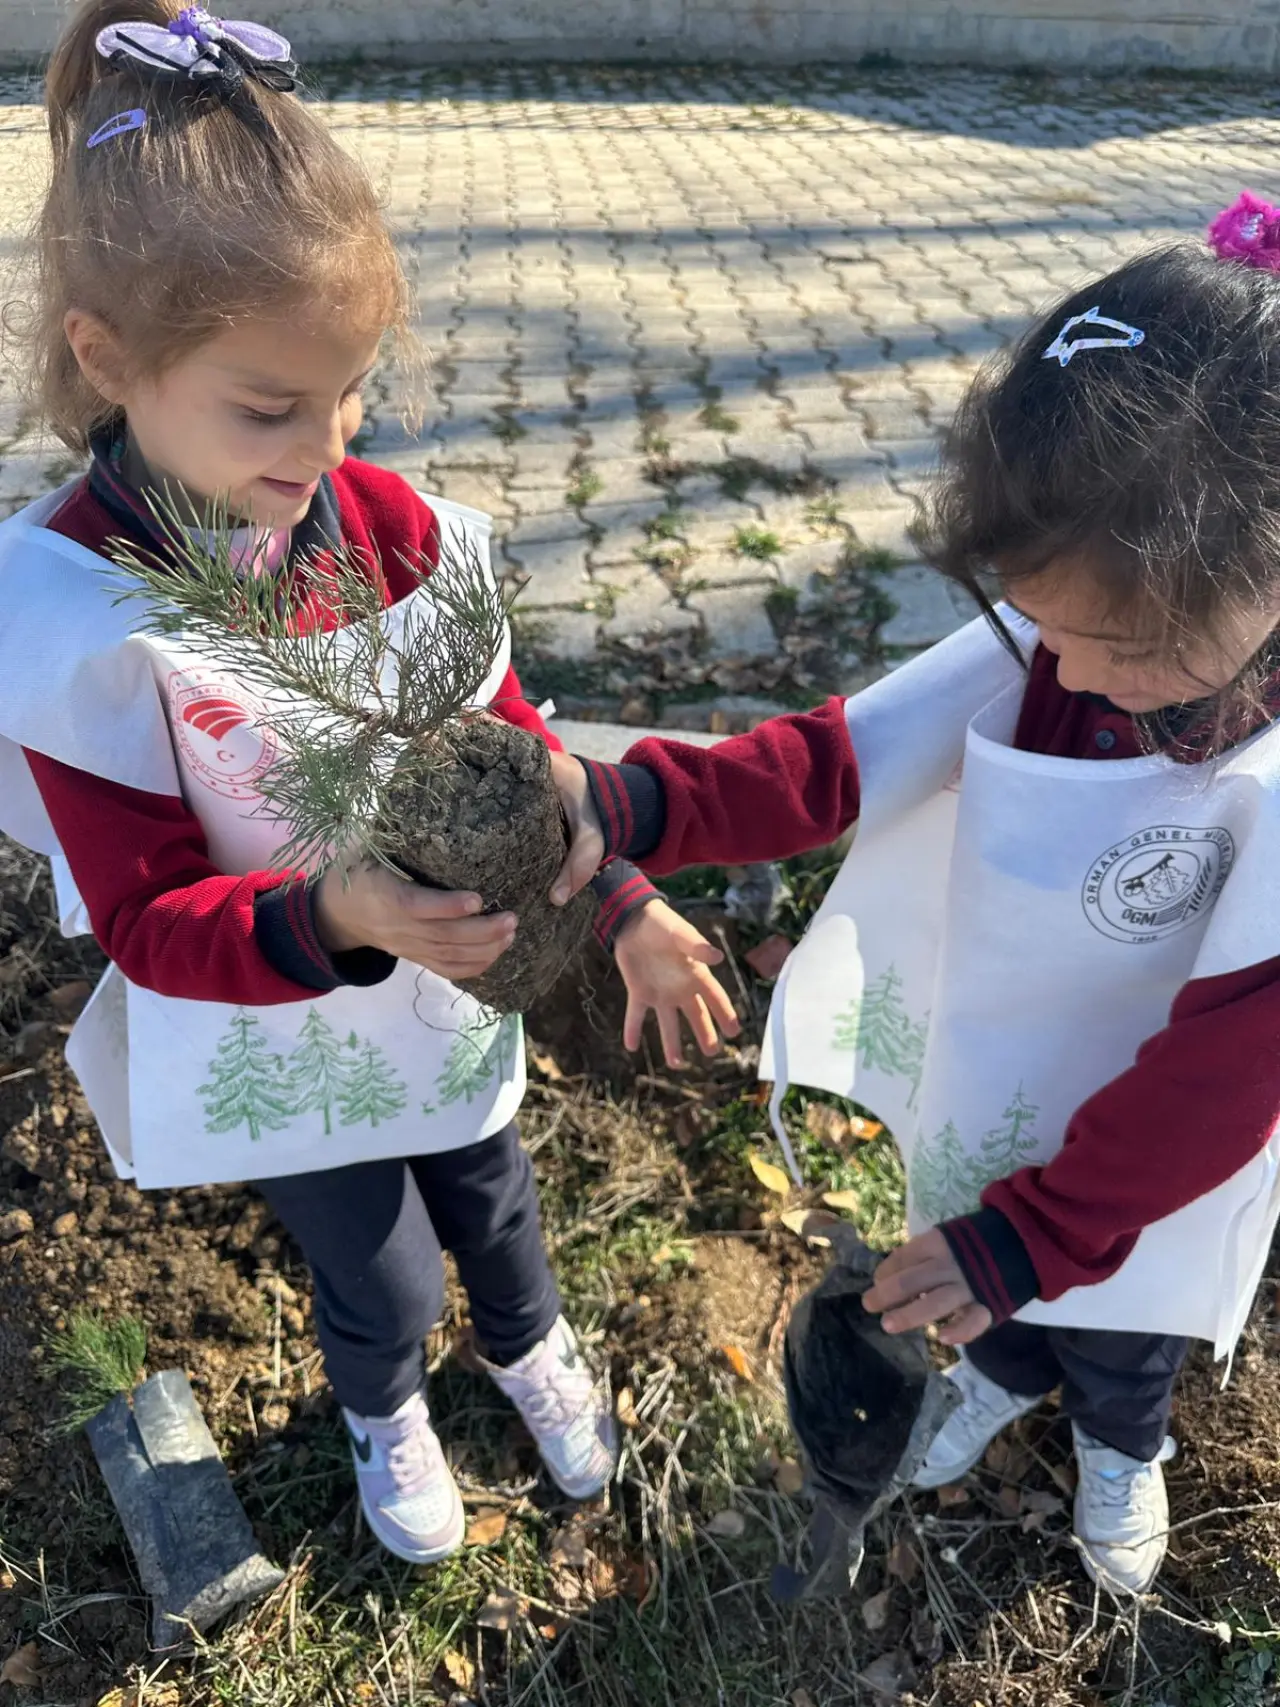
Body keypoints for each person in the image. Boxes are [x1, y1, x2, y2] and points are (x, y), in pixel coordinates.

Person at [0, 0, 738, 1569]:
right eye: (268, 406)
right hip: (282, 1010)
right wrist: (335, 907)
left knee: (496, 1190)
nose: (321, 443)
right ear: (108, 358)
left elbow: (509, 741)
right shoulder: (74, 613)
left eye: (348, 394)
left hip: (445, 992)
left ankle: (528, 1344)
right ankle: (384, 1401)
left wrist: (619, 895)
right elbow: (142, 914)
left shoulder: (375, 524)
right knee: (385, 1267)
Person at [551, 197, 1280, 1595]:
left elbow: (1224, 1079)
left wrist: (1036, 1236)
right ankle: (1004, 1367)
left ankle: (1126, 1441)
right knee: (983, 1257)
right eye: (1037, 627)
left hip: (1164, 1142)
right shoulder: (1069, 645)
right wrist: (640, 802)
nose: (1059, 674)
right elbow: (838, 758)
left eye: (1106, 643)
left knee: (1120, 1308)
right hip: (1019, 1047)